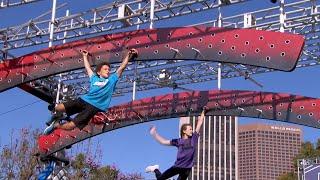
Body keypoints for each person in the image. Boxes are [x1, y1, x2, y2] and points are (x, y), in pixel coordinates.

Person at [43, 48, 138, 134]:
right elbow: (88, 68)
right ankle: (56, 116)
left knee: (71, 126)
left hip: (93, 107)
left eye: (109, 69)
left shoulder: (112, 80)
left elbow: (122, 67)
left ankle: (56, 126)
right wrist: (84, 56)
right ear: (99, 72)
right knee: (58, 108)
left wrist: (129, 55)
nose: (108, 71)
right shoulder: (94, 78)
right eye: (105, 69)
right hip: (84, 100)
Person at [145, 108, 206, 180]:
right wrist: (154, 134)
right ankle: (155, 169)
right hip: (178, 166)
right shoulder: (178, 141)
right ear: (184, 131)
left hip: (187, 169)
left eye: (192, 129)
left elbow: (200, 123)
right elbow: (163, 142)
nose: (191, 131)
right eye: (190, 129)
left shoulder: (194, 138)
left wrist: (203, 111)